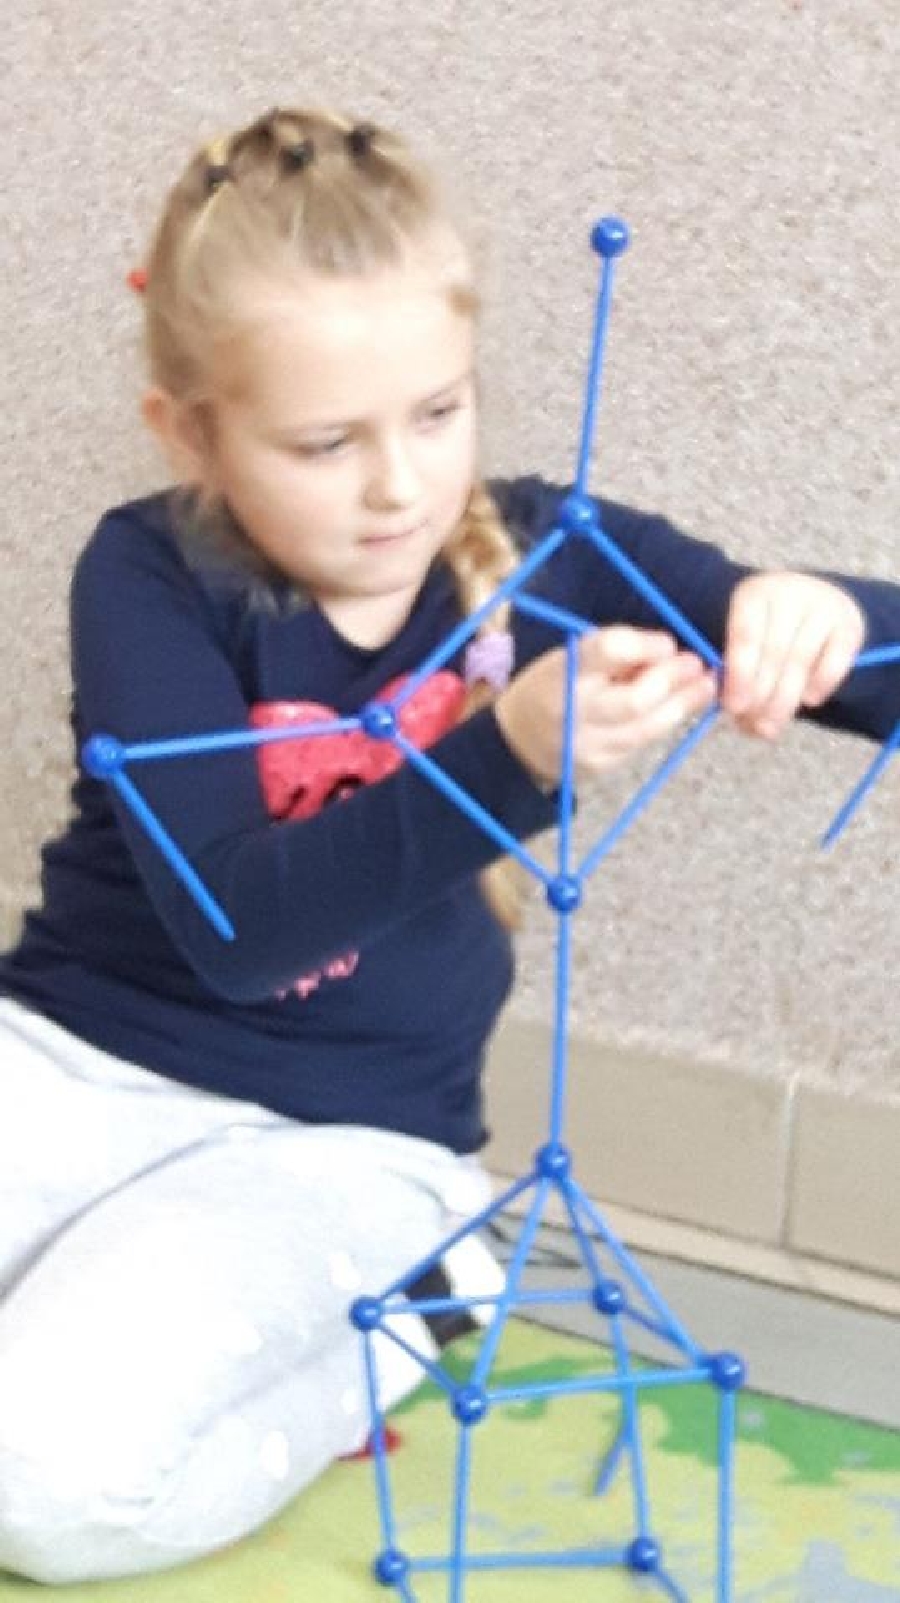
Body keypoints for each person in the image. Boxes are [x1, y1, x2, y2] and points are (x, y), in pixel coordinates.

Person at [0, 105, 898, 1586]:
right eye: (325, 442)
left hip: (345, 1149)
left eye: (437, 413)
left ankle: (411, 1310)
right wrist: (509, 756)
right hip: (65, 1064)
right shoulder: (147, 571)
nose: (400, 487)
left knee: (38, 1474)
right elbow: (239, 929)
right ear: (191, 433)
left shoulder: (550, 557)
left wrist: (823, 613)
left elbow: (872, 669)